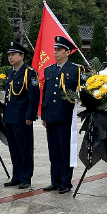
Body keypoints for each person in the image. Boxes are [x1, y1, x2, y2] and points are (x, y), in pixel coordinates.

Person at [41, 36, 84, 195]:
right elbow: (46, 93)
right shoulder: (49, 70)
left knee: (65, 149)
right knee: (54, 150)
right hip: (51, 115)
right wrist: (44, 114)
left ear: (68, 52)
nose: (56, 52)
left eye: (59, 50)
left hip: (66, 115)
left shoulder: (76, 70)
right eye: (55, 49)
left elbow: (83, 91)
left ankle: (66, 181)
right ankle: (55, 180)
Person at [3, 41, 40, 189]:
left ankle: (26, 177)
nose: (10, 57)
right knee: (13, 148)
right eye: (9, 55)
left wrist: (30, 116)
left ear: (22, 56)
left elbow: (33, 96)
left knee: (24, 148)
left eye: (13, 54)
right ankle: (16, 176)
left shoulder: (30, 73)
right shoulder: (10, 72)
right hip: (10, 117)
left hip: (22, 118)